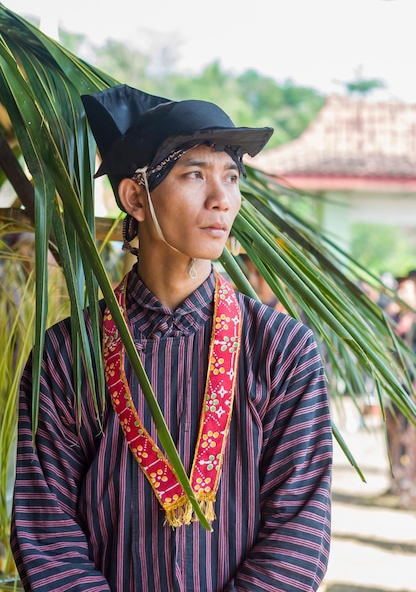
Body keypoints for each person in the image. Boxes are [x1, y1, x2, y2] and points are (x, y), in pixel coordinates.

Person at [11, 84, 332, 591]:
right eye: (194, 175)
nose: (221, 199)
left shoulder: (283, 350)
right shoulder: (68, 354)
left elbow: (299, 529)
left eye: (231, 176)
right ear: (136, 196)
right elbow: (46, 534)